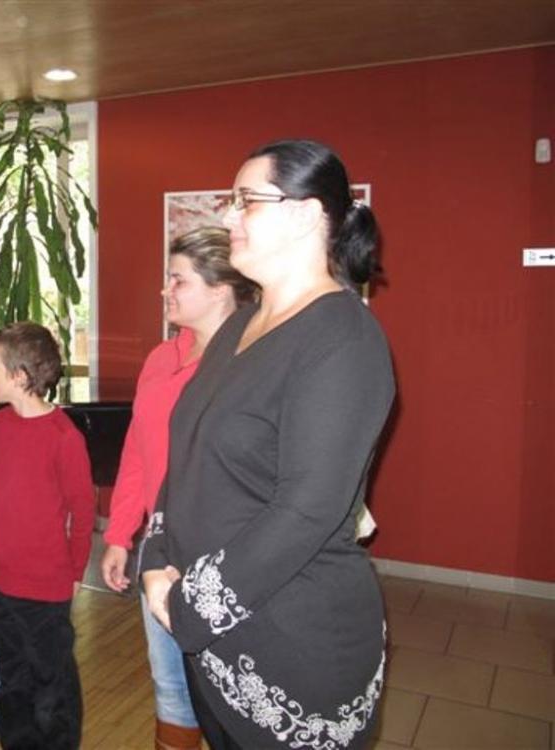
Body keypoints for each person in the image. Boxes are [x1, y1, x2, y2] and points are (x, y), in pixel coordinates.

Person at [141, 139, 396, 749]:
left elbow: (306, 511)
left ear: (306, 215)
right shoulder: (238, 323)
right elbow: (186, 455)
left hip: (292, 648)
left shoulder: (343, 339)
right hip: (209, 638)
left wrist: (190, 606)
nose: (228, 215)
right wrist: (155, 558)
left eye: (246, 200)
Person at [100, 227, 257, 750]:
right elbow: (137, 452)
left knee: (235, 693)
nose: (165, 289)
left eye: (178, 280)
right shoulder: (161, 358)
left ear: (220, 289)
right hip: (161, 550)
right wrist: (121, 534)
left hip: (228, 554)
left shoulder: (252, 362)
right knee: (171, 686)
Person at [0, 322, 95, 750]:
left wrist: (75, 572)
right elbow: (8, 488)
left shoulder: (64, 437)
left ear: (19, 376)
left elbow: (82, 512)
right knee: (12, 680)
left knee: (52, 683)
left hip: (45, 585)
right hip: (0, 579)